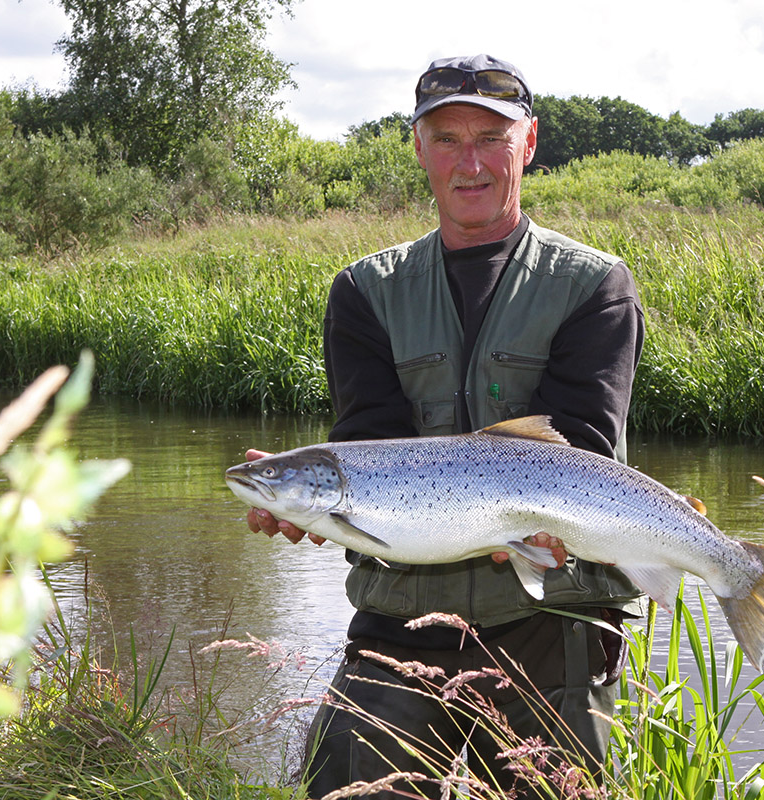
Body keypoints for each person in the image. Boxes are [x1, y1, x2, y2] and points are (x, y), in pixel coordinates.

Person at [246, 53, 645, 798]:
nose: (471, 163)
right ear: (419, 149)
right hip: (398, 618)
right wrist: (315, 513)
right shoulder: (367, 290)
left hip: (553, 619)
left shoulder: (593, 284)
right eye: (448, 138)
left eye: (491, 138)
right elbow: (367, 440)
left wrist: (534, 532)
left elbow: (583, 448)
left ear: (528, 145)